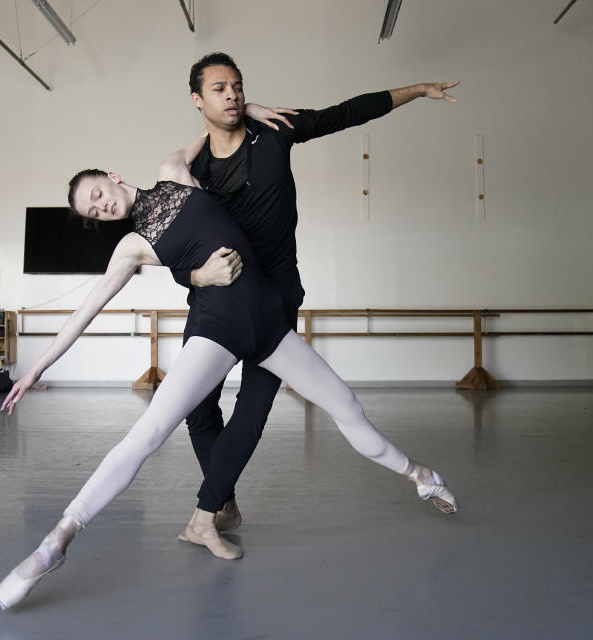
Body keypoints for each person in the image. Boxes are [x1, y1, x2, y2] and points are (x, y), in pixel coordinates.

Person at [0, 158, 458, 610]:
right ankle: (58, 540)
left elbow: (215, 124)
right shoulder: (133, 246)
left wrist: (251, 108)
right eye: (93, 211)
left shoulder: (173, 172)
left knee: (347, 406)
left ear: (110, 176)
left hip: (270, 328)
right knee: (151, 430)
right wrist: (35, 369)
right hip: (218, 327)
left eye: (97, 194)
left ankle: (421, 476)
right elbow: (85, 312)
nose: (102, 206)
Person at [169, 53, 459, 542]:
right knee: (196, 408)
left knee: (253, 409)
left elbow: (346, 112)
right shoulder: (190, 168)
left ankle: (210, 507)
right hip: (217, 297)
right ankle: (225, 500)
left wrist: (415, 90)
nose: (233, 94)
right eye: (219, 88)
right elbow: (176, 242)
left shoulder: (276, 131)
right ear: (197, 100)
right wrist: (194, 278)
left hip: (274, 296)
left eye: (238, 85)